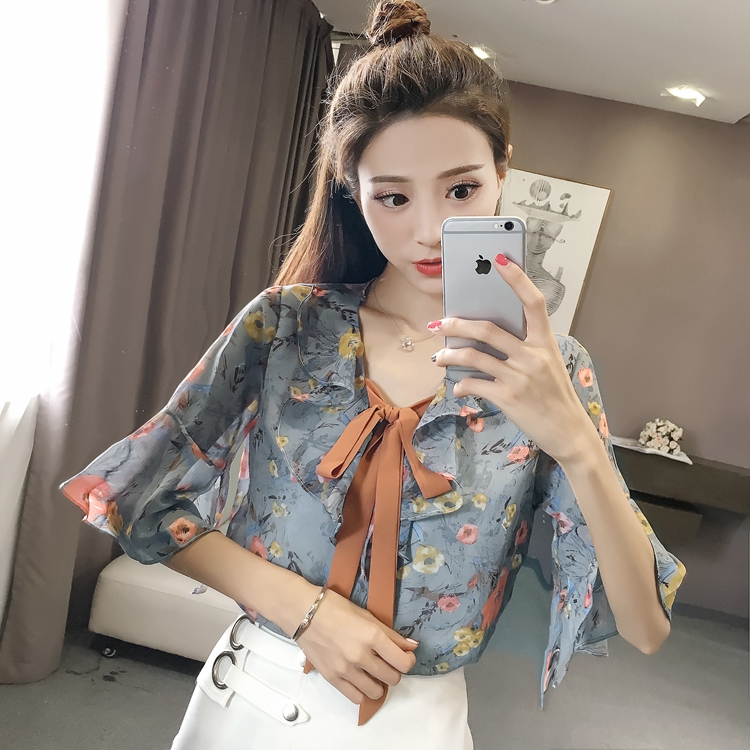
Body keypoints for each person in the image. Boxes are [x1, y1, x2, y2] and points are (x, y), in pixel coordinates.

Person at [60, 2, 686, 748]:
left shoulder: (553, 369)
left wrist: (576, 444)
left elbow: (645, 628)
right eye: (393, 196)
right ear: (352, 191)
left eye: (461, 189)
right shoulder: (287, 326)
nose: (430, 230)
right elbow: (130, 496)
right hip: (255, 694)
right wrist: (305, 611)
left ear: (502, 172)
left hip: (416, 724)